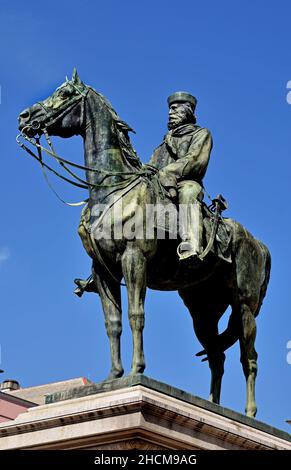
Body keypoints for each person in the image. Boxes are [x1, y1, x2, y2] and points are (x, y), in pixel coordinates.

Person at [150, 91, 213, 261]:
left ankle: (191, 243)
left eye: (174, 109)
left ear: (188, 111)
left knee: (189, 192)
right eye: (169, 110)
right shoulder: (164, 143)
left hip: (185, 182)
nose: (170, 113)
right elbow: (151, 167)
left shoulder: (201, 134)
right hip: (161, 184)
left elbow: (195, 161)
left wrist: (167, 172)